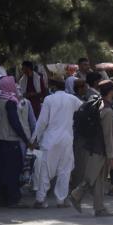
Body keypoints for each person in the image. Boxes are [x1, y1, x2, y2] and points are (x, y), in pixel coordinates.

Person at [31, 75, 82, 208]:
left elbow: (42, 122)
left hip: (50, 140)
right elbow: (82, 109)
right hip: (66, 139)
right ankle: (61, 200)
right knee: (64, 170)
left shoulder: (49, 99)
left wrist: (33, 138)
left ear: (53, 87)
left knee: (45, 169)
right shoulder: (72, 99)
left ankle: (40, 199)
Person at [68, 80, 113, 217]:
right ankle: (75, 195)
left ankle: (99, 208)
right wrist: (111, 156)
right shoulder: (107, 110)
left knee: (98, 179)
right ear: (110, 91)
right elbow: (108, 136)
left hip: (94, 147)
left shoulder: (99, 103)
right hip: (99, 149)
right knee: (91, 178)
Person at [0, 76, 32, 208]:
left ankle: (3, 198)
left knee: (1, 171)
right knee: (13, 171)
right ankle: (13, 198)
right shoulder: (10, 102)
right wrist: (26, 139)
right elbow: (15, 122)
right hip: (10, 141)